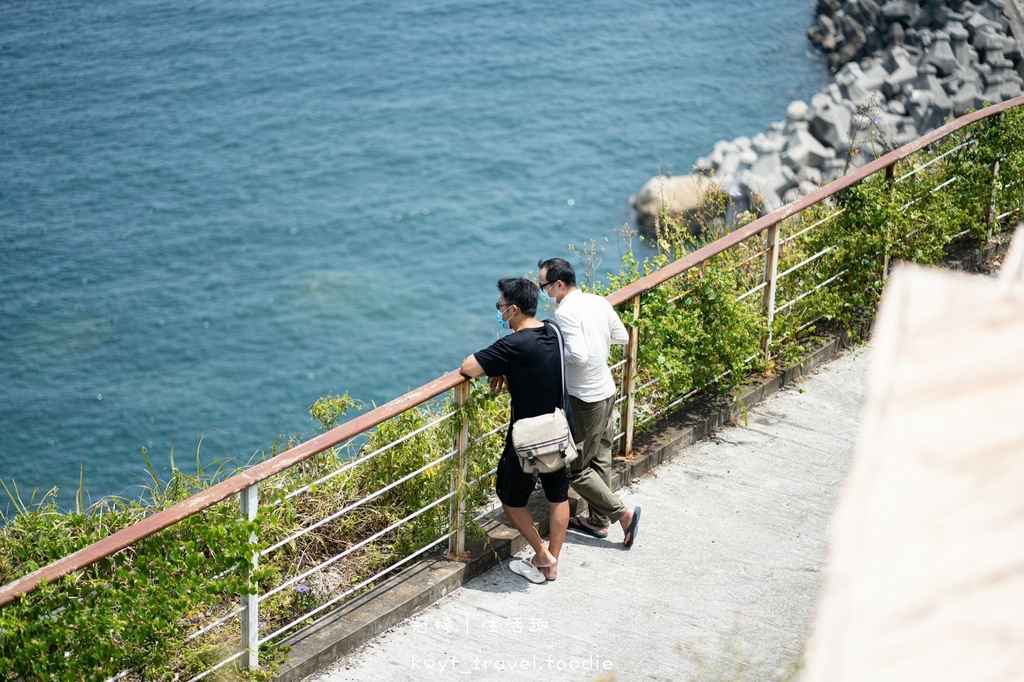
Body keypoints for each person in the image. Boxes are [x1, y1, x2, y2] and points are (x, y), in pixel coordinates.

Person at [460, 277, 570, 583]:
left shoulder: (512, 344)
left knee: (509, 497)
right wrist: (508, 370)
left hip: (527, 437)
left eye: (501, 306)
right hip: (558, 428)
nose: (499, 311)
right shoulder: (553, 330)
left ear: (514, 309)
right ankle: (552, 564)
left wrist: (503, 366)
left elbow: (468, 367)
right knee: (558, 495)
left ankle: (542, 555)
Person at [537, 258, 641, 548]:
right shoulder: (598, 301)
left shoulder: (566, 312)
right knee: (600, 457)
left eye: (543, 286)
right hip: (607, 389)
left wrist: (554, 349)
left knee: (575, 468)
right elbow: (620, 336)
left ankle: (623, 515)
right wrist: (597, 344)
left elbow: (578, 356)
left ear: (558, 285)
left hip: (585, 398)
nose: (542, 292)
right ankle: (598, 521)